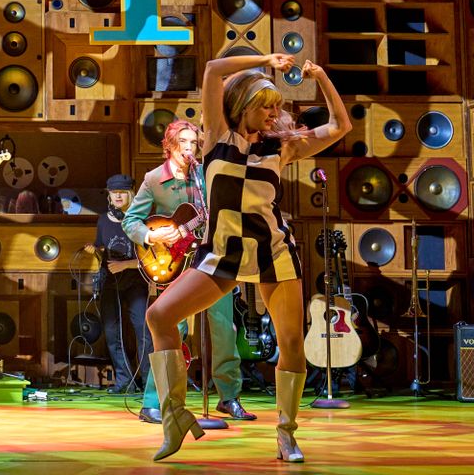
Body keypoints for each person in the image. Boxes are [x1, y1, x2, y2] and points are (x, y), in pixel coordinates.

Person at [143, 55, 350, 463]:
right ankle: (175, 418)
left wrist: (322, 76)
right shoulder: (218, 136)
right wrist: (264, 59)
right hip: (222, 253)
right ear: (242, 106)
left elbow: (341, 126)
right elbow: (212, 70)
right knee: (159, 316)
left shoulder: (281, 147)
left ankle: (287, 434)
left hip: (273, 252)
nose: (274, 113)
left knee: (292, 343)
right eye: (266, 105)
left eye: (277, 106)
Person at [123, 120, 254, 424]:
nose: (188, 147)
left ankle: (229, 398)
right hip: (175, 265)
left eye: (193, 142)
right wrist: (151, 236)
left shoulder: (203, 175)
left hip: (209, 261)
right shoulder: (154, 179)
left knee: (223, 328)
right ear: (168, 145)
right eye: (182, 141)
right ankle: (154, 402)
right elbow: (131, 221)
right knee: (172, 329)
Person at [87, 174, 151, 394]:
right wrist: (95, 250)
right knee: (113, 332)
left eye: (122, 192)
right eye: (113, 193)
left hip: (135, 282)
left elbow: (153, 258)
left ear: (130, 194)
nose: (117, 196)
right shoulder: (103, 220)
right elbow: (102, 249)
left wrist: (127, 265)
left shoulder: (141, 220)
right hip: (110, 282)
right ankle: (125, 381)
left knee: (143, 330)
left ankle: (147, 380)